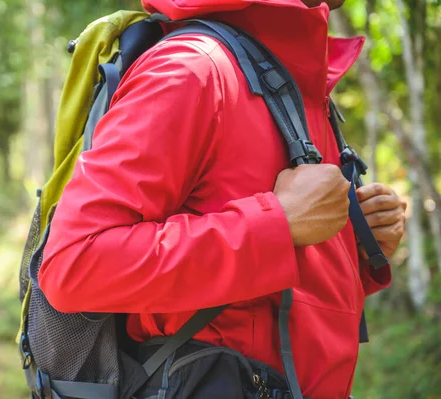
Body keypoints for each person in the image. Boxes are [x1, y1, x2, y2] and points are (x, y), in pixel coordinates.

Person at [38, 0, 407, 397]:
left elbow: (261, 298)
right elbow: (74, 265)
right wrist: (277, 224)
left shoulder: (289, 76)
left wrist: (352, 245)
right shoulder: (192, 69)